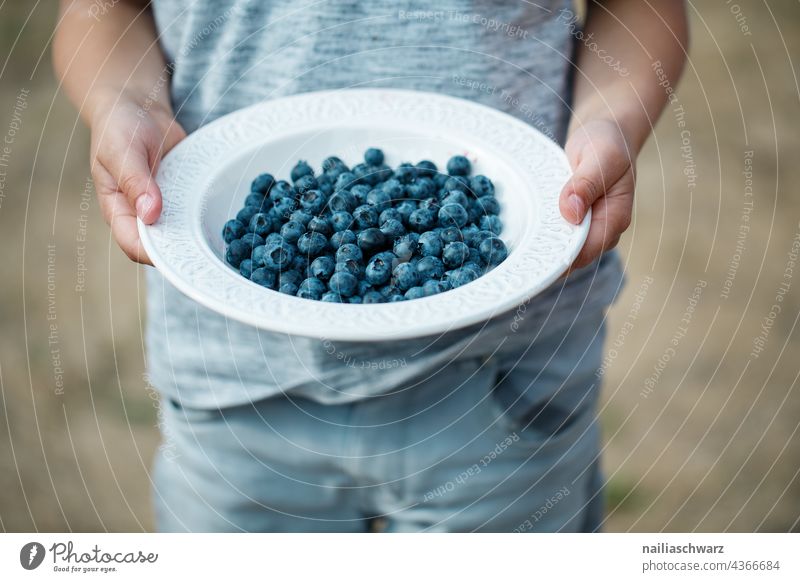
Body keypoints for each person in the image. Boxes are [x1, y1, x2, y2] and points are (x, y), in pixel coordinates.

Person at [53, 0, 687, 532]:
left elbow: (641, 12)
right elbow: (98, 13)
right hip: (229, 383)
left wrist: (608, 121)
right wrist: (121, 101)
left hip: (506, 377)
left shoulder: (455, 226)